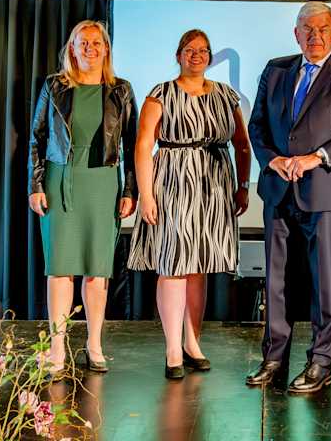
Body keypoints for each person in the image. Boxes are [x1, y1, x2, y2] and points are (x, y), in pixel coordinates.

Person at [246, 1, 331, 393]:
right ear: (296, 33)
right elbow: (257, 125)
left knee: (325, 281)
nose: (315, 36)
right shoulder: (276, 69)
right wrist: (273, 160)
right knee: (276, 281)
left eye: (322, 29)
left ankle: (321, 361)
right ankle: (274, 357)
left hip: (325, 191)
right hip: (278, 189)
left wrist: (314, 158)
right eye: (307, 29)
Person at [127, 29, 251, 379]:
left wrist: (243, 186)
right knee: (173, 264)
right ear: (178, 55)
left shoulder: (226, 95)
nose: (197, 55)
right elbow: (143, 146)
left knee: (200, 266)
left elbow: (242, 144)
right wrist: (146, 194)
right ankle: (172, 349)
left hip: (214, 185)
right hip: (174, 182)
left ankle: (192, 343)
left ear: (210, 57)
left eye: (203, 50)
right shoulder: (161, 94)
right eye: (189, 50)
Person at [28, 20, 138, 374]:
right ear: (72, 49)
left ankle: (94, 344)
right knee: (60, 268)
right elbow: (37, 138)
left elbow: (132, 143)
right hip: (61, 179)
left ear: (106, 49)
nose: (90, 48)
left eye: (96, 42)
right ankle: (57, 348)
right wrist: (36, 185)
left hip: (103, 183)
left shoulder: (121, 90)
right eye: (83, 42)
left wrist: (130, 190)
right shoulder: (54, 86)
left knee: (96, 270)